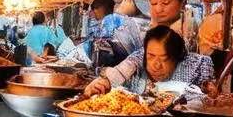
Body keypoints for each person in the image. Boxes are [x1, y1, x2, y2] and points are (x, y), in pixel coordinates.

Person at [83, 26, 216, 97]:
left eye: (164, 59)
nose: (156, 65)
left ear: (177, 58)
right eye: (151, 56)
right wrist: (103, 82)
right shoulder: (136, 65)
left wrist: (210, 92)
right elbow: (121, 71)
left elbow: (210, 93)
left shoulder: (198, 65)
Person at [88, 0, 145, 67]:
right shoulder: (120, 21)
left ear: (101, 8)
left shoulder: (112, 20)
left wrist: (120, 12)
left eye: (95, 8)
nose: (93, 12)